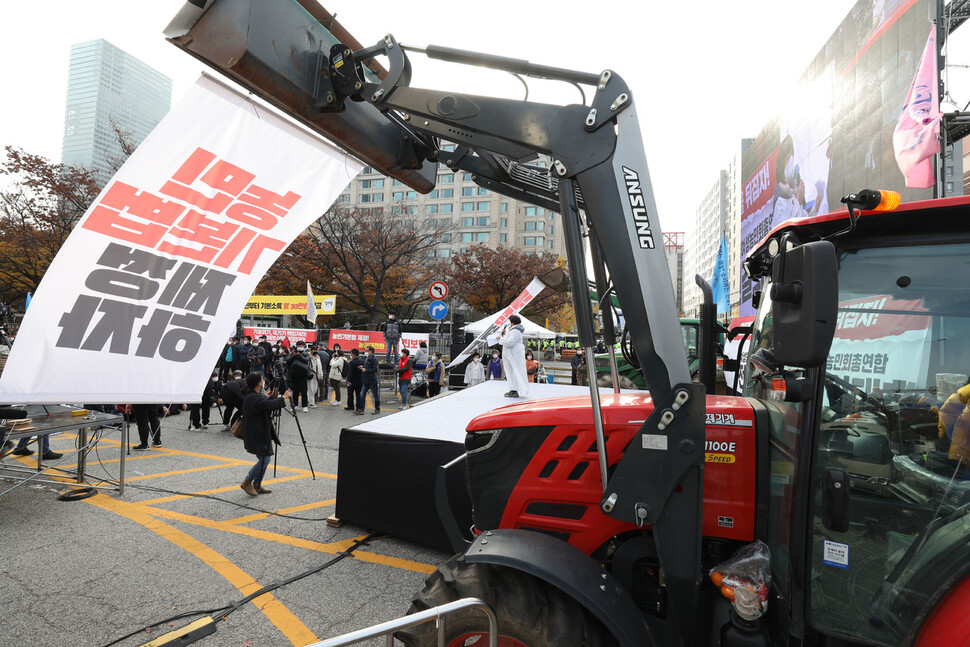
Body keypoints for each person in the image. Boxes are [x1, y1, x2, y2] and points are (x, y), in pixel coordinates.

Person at [240, 372, 290, 496]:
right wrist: (282, 398)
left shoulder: (254, 395)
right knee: (265, 458)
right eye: (262, 379)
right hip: (257, 433)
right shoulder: (253, 397)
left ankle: (257, 484)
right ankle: (247, 481)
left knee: (263, 458)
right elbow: (267, 405)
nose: (264, 381)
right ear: (259, 383)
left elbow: (264, 404)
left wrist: (273, 397)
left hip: (258, 431)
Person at [497, 315, 528, 397]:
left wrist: (500, 338)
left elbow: (511, 343)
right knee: (510, 373)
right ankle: (512, 389)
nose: (509, 323)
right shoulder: (512, 331)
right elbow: (507, 340)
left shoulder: (516, 332)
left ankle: (515, 390)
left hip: (513, 356)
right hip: (510, 356)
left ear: (513, 323)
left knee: (514, 373)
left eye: (510, 321)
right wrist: (503, 335)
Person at [286, 342, 311, 412]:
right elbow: (287, 361)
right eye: (298, 346)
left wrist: (299, 355)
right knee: (295, 391)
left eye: (301, 346)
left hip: (303, 375)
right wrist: (293, 355)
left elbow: (306, 361)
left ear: (304, 346)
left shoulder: (306, 354)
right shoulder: (292, 353)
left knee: (304, 391)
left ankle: (304, 406)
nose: (300, 347)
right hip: (294, 375)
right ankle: (295, 405)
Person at [357, 345, 380, 415]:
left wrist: (366, 370)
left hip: (372, 380)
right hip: (365, 380)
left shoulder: (374, 359)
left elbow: (375, 369)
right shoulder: (366, 358)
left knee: (375, 395)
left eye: (367, 351)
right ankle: (361, 409)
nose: (365, 352)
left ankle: (377, 409)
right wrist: (362, 367)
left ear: (371, 351)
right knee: (362, 394)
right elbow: (367, 367)